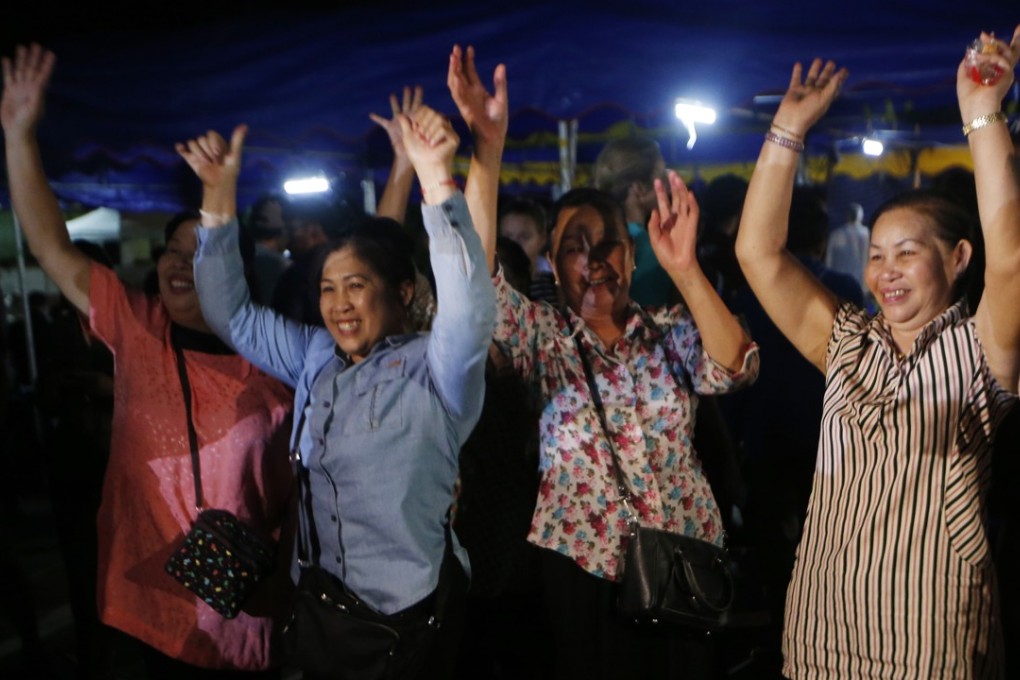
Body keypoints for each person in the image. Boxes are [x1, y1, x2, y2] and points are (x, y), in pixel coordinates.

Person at [447, 44, 759, 678]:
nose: (593, 261)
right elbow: (476, 274)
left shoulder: (670, 333)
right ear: (552, 267)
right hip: (583, 572)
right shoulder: (541, 338)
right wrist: (487, 145)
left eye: (607, 243)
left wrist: (687, 268)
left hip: (683, 561)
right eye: (572, 248)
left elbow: (737, 365)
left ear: (632, 254)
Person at [733, 27, 1020, 678]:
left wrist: (982, 114)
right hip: (821, 628)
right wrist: (786, 130)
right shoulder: (847, 343)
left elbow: (1014, 262)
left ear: (958, 258)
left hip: (931, 635)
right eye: (877, 255)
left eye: (908, 253)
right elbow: (757, 253)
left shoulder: (981, 352)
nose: (886, 271)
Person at [1, 45, 295, 678]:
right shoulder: (137, 327)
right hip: (141, 613)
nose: (175, 262)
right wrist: (19, 134)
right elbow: (51, 246)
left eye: (199, 251)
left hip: (237, 622)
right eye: (170, 249)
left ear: (235, 270)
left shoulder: (278, 359)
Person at [184, 104, 495, 678]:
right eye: (328, 288)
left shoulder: (436, 369)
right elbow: (230, 315)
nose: (339, 304)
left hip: (405, 625)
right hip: (318, 611)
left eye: (357, 286)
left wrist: (434, 176)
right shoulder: (316, 355)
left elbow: (470, 309)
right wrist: (217, 199)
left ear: (402, 292)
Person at [592, 136, 676, 306]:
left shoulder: (588, 238)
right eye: (661, 177)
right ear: (638, 188)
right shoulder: (650, 247)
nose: (667, 187)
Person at [498, 197, 557, 303]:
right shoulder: (493, 285)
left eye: (524, 237)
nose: (514, 244)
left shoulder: (553, 287)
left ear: (543, 238)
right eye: (508, 237)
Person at [824, 202, 869, 288]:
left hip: (841, 282)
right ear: (861, 216)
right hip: (859, 282)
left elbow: (829, 260)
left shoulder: (836, 235)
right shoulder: (866, 234)